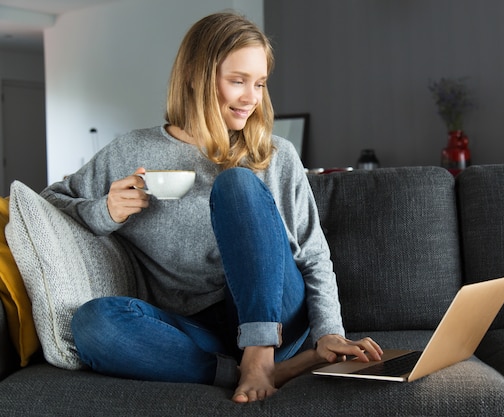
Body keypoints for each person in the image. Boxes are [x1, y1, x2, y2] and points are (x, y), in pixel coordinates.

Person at [41, 12, 382, 403]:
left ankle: (261, 357)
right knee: (92, 324)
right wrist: (106, 211)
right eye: (237, 81)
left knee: (236, 182)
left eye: (259, 84)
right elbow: (51, 201)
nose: (251, 98)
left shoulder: (274, 155)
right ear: (195, 76)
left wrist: (328, 333)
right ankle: (249, 372)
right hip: (197, 330)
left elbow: (314, 255)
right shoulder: (131, 151)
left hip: (279, 317)